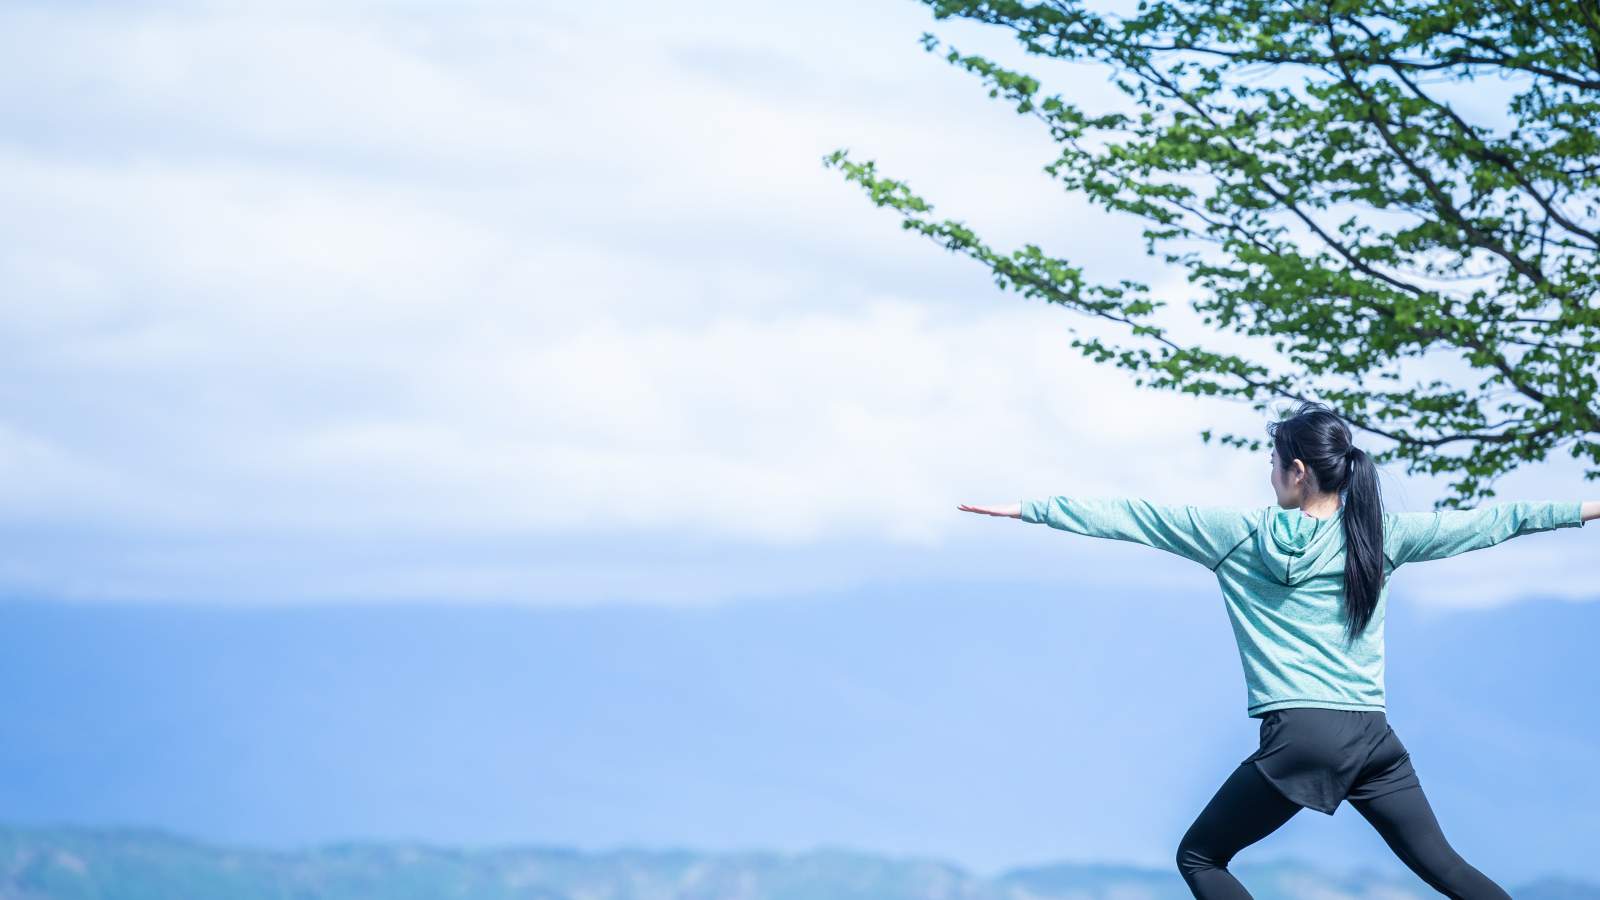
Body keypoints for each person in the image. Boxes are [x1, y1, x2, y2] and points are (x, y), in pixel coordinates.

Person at [958, 400, 1598, 899]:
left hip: (1302, 730)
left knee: (1200, 857)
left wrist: (1026, 508)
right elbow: (1497, 520)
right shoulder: (1380, 537)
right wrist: (1586, 507)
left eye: (1273, 464)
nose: (1269, 477)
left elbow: (1131, 515)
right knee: (1447, 868)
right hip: (1371, 733)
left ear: (1296, 471)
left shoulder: (1234, 536)